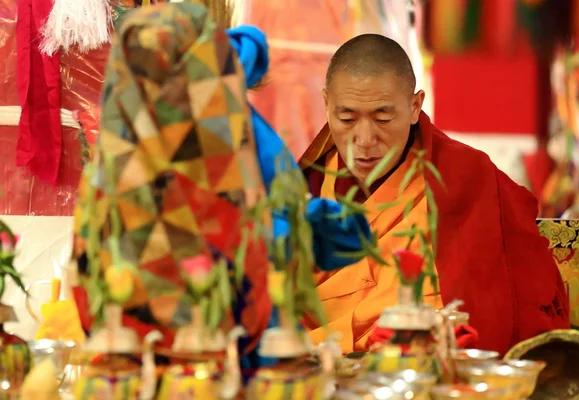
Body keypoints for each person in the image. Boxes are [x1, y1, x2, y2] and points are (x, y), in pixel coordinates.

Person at [71, 2, 370, 374]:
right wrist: (311, 232)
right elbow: (258, 240)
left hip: (126, 369)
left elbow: (87, 280)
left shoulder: (109, 163)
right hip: (228, 364)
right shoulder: (230, 136)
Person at [300, 34, 570, 355]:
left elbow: (503, 311)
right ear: (327, 104)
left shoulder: (467, 177)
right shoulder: (303, 188)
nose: (365, 139)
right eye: (346, 119)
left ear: (415, 107)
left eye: (383, 118)